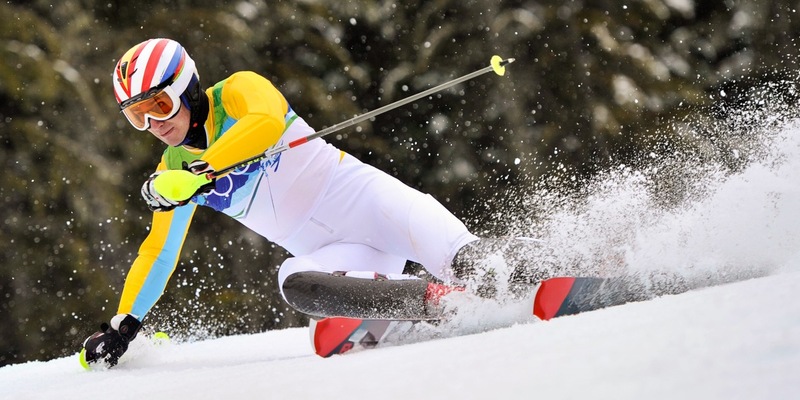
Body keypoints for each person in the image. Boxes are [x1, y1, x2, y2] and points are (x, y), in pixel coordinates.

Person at [81, 38, 538, 367]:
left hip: (373, 205)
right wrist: (125, 324)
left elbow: (265, 120)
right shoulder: (171, 171)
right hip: (345, 256)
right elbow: (158, 252)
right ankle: (432, 305)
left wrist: (202, 172)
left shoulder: (238, 92)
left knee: (475, 261)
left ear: (186, 87)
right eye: (137, 116)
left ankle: (553, 270)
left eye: (158, 106)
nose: (153, 124)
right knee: (293, 279)